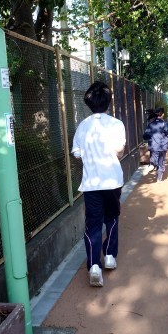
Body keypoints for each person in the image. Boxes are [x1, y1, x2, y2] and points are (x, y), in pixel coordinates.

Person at [71, 81, 126, 287]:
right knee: (111, 218)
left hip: (91, 183)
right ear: (108, 102)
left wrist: (88, 154)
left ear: (89, 103)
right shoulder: (116, 124)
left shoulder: (83, 126)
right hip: (112, 181)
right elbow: (119, 150)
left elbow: (76, 153)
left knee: (93, 224)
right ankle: (110, 256)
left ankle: (94, 266)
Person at [143, 107, 168, 183]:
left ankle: (152, 166)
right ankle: (159, 179)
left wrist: (150, 137)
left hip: (154, 145)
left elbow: (145, 136)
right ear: (163, 114)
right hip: (163, 145)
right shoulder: (165, 123)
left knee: (154, 160)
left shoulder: (151, 124)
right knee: (161, 162)